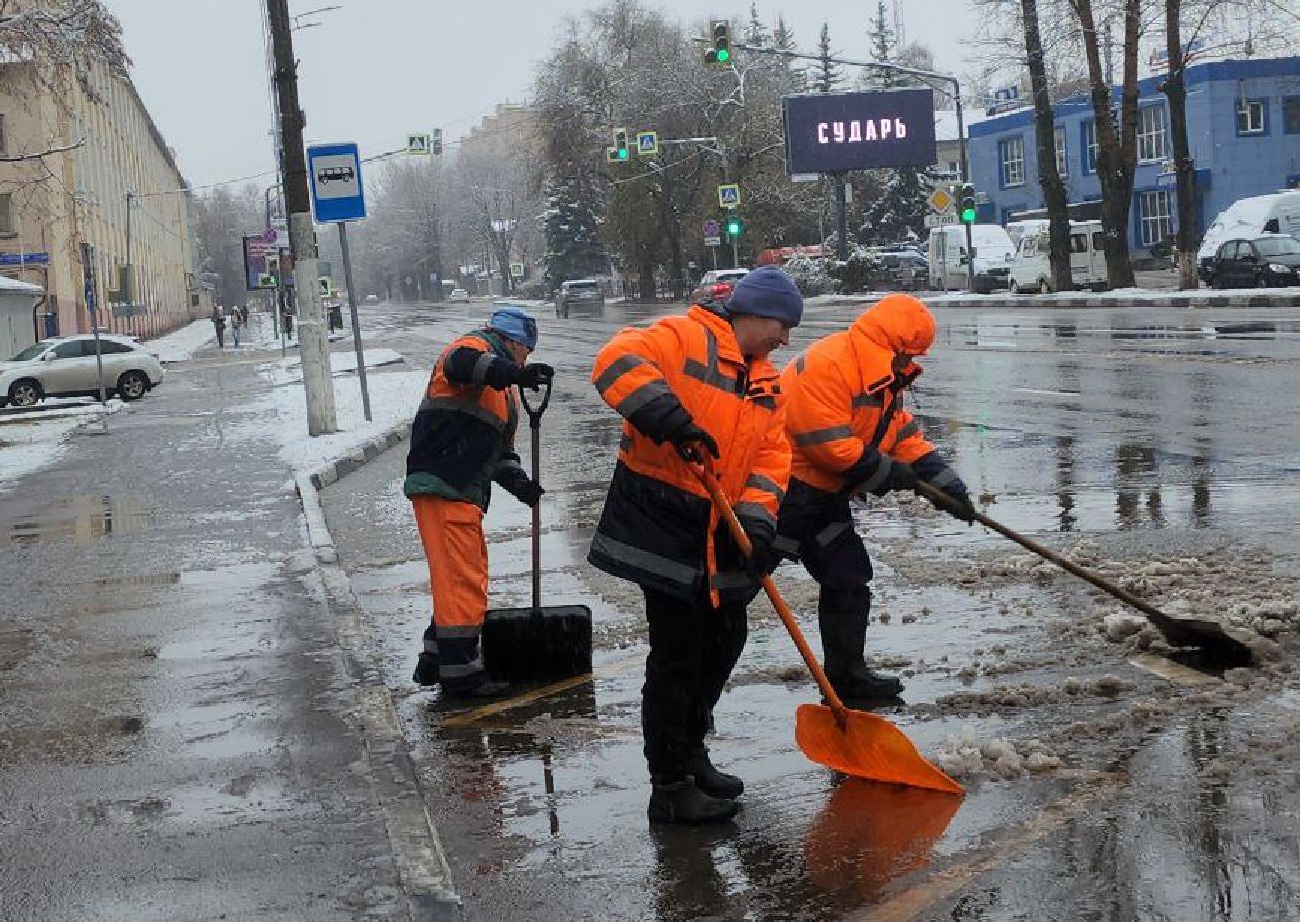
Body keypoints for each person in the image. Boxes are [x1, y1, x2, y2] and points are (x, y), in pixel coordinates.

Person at [587, 265, 800, 825]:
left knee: (727, 635)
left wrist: (756, 524)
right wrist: (670, 419)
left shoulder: (765, 379)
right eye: (782, 325)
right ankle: (670, 784)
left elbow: (773, 458)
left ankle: (693, 751)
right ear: (754, 313)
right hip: (664, 520)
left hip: (719, 527)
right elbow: (615, 361)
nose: (786, 339)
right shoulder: (684, 336)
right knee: (678, 653)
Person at [774, 294, 974, 703]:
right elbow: (828, 445)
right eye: (909, 355)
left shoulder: (881, 377)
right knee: (738, 585)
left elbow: (898, 434)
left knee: (848, 577)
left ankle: (847, 680)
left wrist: (945, 482)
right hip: (784, 495)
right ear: (892, 347)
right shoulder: (831, 364)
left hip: (824, 498)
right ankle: (694, 702)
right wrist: (890, 474)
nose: (912, 364)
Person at [406, 307, 553, 700]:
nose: (526, 361)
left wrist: (520, 484)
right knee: (462, 581)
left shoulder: (504, 396)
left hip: (462, 490)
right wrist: (513, 373)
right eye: (525, 353)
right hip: (443, 483)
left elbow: (500, 453)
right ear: (511, 342)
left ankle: (436, 658)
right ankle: (462, 676)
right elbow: (462, 363)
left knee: (460, 575)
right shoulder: (472, 349)